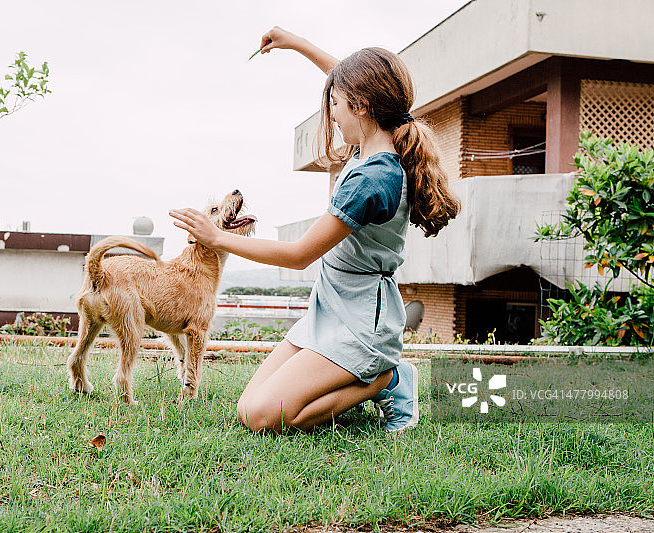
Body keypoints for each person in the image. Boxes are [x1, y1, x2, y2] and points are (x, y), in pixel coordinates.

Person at [169, 27, 459, 433]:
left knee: (261, 417)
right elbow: (344, 75)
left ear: (360, 106)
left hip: (361, 321)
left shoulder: (375, 178)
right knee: (248, 406)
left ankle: (386, 378)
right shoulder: (376, 137)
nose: (333, 114)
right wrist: (295, 43)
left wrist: (216, 236)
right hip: (329, 308)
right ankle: (362, 380)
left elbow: (300, 254)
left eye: (336, 104)